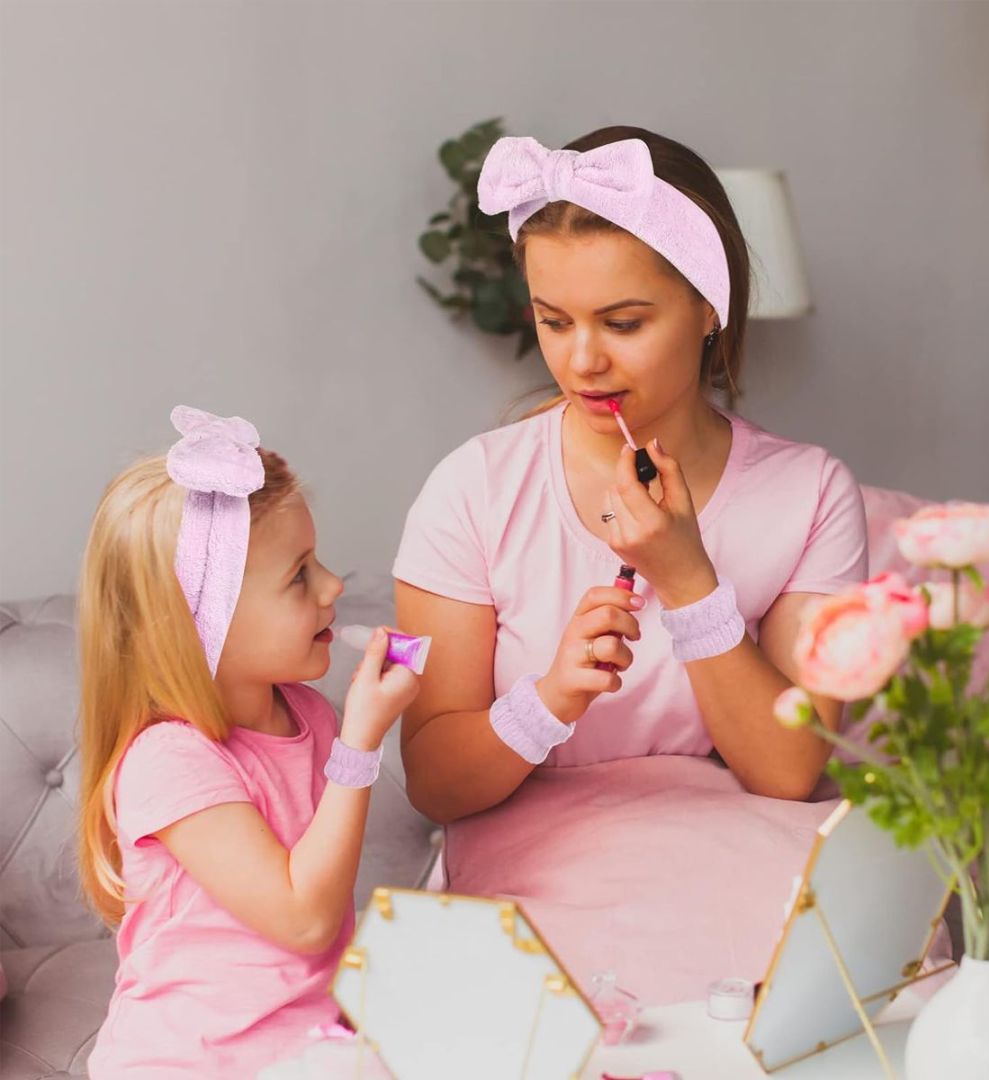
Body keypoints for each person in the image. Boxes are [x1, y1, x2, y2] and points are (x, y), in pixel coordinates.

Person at [393, 127, 876, 1004]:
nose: (583, 359)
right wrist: (547, 702)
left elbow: (787, 771)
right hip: (537, 879)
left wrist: (688, 579)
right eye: (553, 320)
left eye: (623, 322)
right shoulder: (474, 489)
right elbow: (434, 783)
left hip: (748, 878)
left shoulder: (811, 493)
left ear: (708, 306)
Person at [80, 406, 418, 1077]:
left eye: (317, 561)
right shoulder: (169, 762)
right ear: (200, 625)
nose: (333, 587)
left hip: (305, 1051)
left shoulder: (308, 716)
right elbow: (304, 921)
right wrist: (361, 744)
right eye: (299, 576)